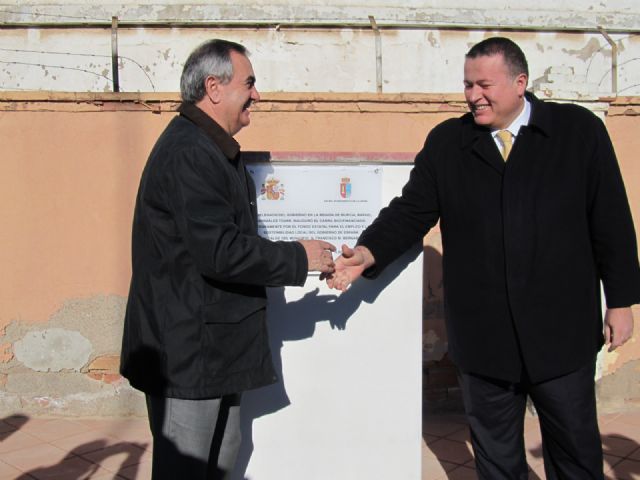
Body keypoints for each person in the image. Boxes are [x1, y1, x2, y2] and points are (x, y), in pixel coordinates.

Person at [328, 37, 640, 479]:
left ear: (520, 82)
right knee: (496, 461)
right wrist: (368, 251)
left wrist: (621, 302)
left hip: (562, 331)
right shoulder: (448, 143)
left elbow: (610, 218)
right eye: (467, 85)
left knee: (575, 453)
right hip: (483, 339)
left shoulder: (577, 132)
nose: (473, 95)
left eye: (484, 85)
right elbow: (410, 210)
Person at [120, 39, 335, 480]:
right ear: (213, 88)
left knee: (221, 456)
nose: (257, 94)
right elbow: (220, 250)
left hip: (212, 348)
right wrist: (300, 256)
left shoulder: (209, 147)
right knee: (187, 467)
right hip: (187, 353)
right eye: (249, 83)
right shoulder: (190, 152)